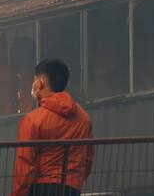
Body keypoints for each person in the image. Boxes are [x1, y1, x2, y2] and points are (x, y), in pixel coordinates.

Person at [11, 59, 94, 196]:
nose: (33, 85)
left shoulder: (32, 120)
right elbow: (88, 158)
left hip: (42, 188)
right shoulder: (84, 118)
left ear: (42, 82)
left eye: (34, 80)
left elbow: (25, 164)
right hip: (72, 188)